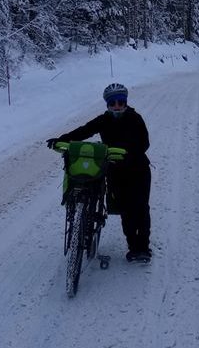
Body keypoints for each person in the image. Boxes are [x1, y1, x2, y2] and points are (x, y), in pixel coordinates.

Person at [48, 82, 152, 262]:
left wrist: (129, 153)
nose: (117, 106)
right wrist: (62, 139)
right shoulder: (103, 120)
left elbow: (144, 143)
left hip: (138, 169)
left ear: (125, 102)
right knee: (125, 209)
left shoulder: (135, 118)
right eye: (113, 103)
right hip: (115, 170)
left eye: (121, 102)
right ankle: (132, 245)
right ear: (108, 105)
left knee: (140, 208)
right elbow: (84, 131)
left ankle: (142, 248)